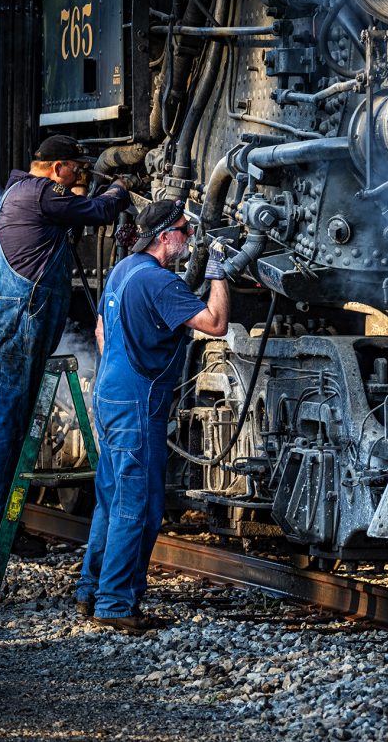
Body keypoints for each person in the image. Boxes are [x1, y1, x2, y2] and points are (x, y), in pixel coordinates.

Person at [0, 134, 132, 558]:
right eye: (75, 170)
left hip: (8, 320)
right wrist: (121, 188)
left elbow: (72, 214)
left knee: (10, 422)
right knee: (7, 425)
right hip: (19, 323)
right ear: (57, 168)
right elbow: (98, 210)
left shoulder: (18, 193)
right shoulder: (41, 194)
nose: (79, 177)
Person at [76, 200, 229, 633]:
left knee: (111, 498)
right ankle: (115, 603)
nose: (189, 238)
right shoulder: (161, 283)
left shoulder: (124, 270)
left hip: (111, 394)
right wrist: (218, 270)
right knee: (138, 505)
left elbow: (102, 333)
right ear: (166, 237)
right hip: (137, 405)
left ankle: (91, 590)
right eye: (184, 230)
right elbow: (215, 323)